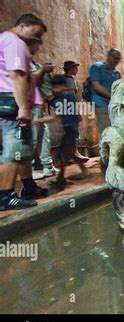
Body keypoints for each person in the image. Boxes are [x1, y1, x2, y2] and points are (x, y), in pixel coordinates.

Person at [0, 13, 49, 211]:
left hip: (7, 99)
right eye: (35, 32)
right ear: (23, 25)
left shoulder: (5, 39)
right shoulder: (16, 43)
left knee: (22, 148)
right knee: (14, 149)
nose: (37, 39)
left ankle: (28, 187)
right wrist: (24, 107)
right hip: (13, 101)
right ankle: (5, 196)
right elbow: (18, 76)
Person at [48, 74, 91, 189]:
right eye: (53, 87)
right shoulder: (58, 99)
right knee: (66, 154)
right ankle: (62, 177)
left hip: (70, 130)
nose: (54, 89)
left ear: (63, 86)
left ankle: (80, 172)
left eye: (56, 87)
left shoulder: (69, 97)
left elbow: (74, 113)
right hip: (64, 131)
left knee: (68, 153)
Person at [28, 39, 57, 180]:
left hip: (39, 104)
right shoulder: (21, 63)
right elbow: (32, 80)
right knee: (32, 138)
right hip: (29, 106)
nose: (38, 47)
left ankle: (48, 166)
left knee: (44, 137)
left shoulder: (34, 63)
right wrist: (44, 70)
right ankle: (30, 169)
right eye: (35, 44)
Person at [89, 48, 121, 136]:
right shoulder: (97, 67)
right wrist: (112, 96)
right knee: (106, 130)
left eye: (118, 59)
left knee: (114, 130)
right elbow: (96, 86)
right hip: (101, 103)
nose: (116, 61)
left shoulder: (116, 73)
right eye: (115, 58)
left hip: (113, 105)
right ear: (108, 56)